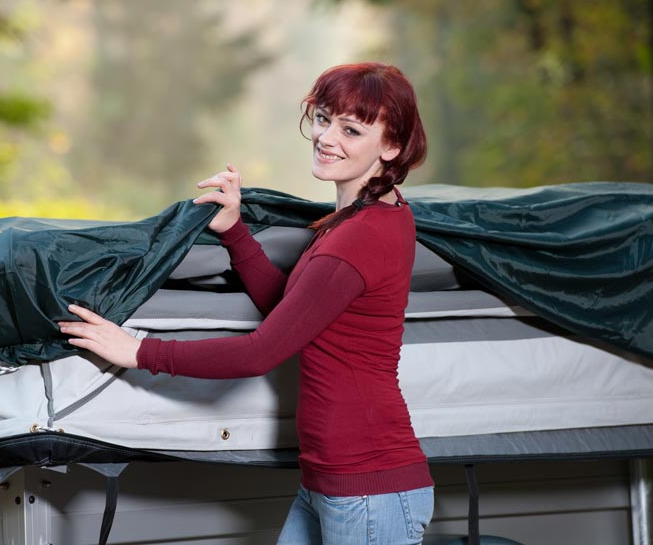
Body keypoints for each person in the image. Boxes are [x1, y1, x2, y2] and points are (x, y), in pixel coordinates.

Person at [58, 62, 434, 544]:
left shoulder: (361, 236)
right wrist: (235, 231)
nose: (326, 137)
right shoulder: (373, 215)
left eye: (351, 129)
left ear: (392, 146)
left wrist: (137, 351)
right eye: (322, 119)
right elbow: (294, 310)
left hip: (368, 488)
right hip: (337, 480)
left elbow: (260, 352)